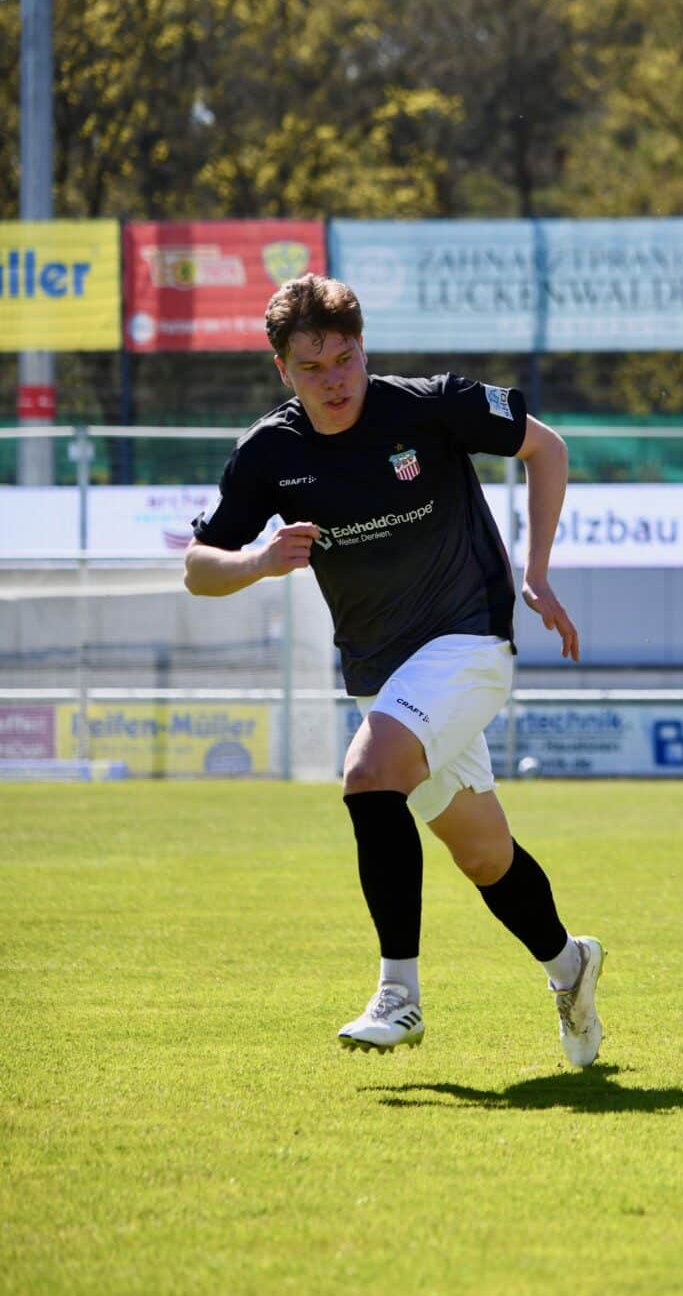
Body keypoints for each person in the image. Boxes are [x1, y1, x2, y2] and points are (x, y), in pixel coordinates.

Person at [183, 274, 604, 1062]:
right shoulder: (271, 452)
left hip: (470, 644)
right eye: (314, 368)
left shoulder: (427, 403)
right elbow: (198, 569)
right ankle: (570, 964)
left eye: (346, 358)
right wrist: (257, 561)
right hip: (389, 677)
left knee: (368, 771)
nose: (336, 380)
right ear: (283, 371)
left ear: (363, 347)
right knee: (484, 855)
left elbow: (547, 447)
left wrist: (538, 572)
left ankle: (399, 994)